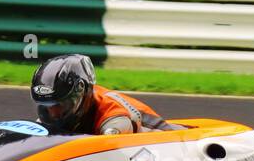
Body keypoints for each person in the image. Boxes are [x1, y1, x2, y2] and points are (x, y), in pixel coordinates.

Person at [30, 54, 173, 134]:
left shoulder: (114, 120)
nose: (53, 113)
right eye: (46, 106)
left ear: (81, 94)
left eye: (60, 105)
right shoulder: (50, 116)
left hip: (173, 143)